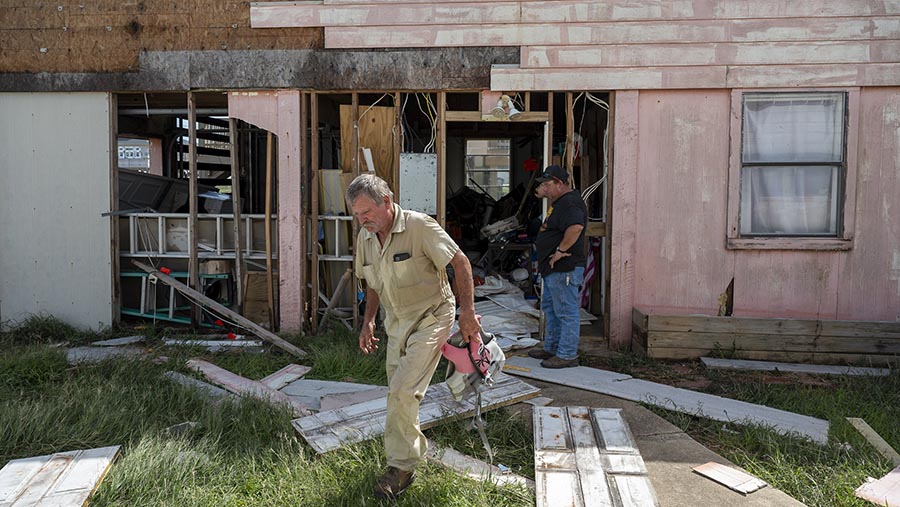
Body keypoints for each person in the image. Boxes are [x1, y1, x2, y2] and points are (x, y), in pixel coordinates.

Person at [346, 174, 479, 500]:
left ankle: (402, 468)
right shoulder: (366, 238)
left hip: (432, 316)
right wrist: (369, 322)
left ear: (387, 203)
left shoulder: (420, 227)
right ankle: (408, 450)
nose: (362, 220)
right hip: (397, 323)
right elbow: (373, 284)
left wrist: (467, 312)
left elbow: (460, 263)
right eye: (357, 214)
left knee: (403, 390)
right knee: (400, 392)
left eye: (367, 212)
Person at [528, 165, 586, 369]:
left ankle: (567, 354)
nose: (545, 188)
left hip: (565, 268)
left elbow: (576, 227)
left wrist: (560, 251)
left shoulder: (570, 204)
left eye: (547, 184)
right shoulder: (559, 202)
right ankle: (552, 348)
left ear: (559, 183)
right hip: (553, 270)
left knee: (566, 312)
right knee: (551, 310)